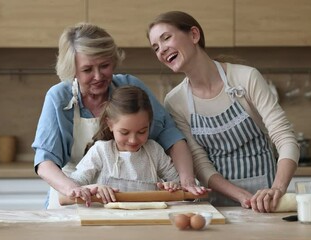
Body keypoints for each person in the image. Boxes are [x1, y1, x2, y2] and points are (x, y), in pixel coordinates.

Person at [32, 22, 205, 208]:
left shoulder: (130, 87)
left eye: (104, 65)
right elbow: (45, 161)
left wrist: (186, 182)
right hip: (72, 192)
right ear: (72, 69)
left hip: (126, 200)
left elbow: (171, 137)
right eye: (87, 70)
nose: (98, 76)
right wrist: (75, 189)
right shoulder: (59, 97)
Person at [147, 11, 299, 213]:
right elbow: (200, 163)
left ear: (194, 35)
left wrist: (277, 189)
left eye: (166, 38)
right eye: (156, 48)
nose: (162, 50)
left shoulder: (245, 78)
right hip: (217, 206)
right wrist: (241, 196)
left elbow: (284, 138)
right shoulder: (175, 101)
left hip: (267, 200)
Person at [66, 85, 180, 204]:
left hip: (147, 220)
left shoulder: (154, 151)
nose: (133, 140)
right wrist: (92, 188)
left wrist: (173, 186)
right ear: (110, 124)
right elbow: (74, 187)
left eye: (142, 131)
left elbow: (179, 183)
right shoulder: (102, 151)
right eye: (124, 132)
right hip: (107, 220)